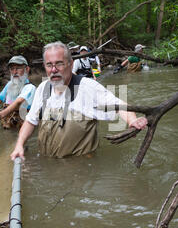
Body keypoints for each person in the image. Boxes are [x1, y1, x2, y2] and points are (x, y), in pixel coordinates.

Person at [10, 41, 148, 160]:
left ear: (70, 64)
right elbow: (30, 121)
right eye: (49, 65)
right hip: (48, 163)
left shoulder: (88, 87)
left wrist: (132, 121)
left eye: (59, 64)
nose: (53, 70)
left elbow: (119, 105)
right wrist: (19, 145)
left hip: (80, 169)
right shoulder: (42, 88)